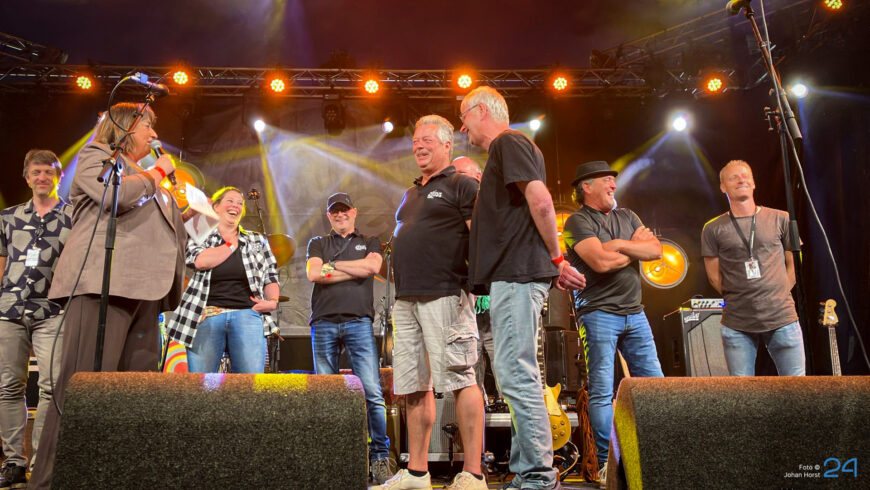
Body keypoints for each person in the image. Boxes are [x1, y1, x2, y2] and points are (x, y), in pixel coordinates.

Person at [30, 102, 188, 489]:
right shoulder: (97, 156)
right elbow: (114, 196)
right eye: (148, 126)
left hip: (145, 292)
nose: (155, 135)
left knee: (135, 392)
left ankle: (119, 477)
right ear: (125, 127)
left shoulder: (147, 178)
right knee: (84, 388)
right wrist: (157, 173)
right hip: (103, 286)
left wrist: (187, 211)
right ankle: (52, 480)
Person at [460, 86, 585, 490]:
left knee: (516, 373)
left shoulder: (508, 142)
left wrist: (557, 259)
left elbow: (542, 201)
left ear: (482, 110)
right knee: (514, 373)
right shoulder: (509, 149)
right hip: (512, 277)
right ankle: (526, 469)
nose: (462, 128)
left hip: (516, 277)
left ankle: (538, 475)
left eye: (464, 116)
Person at [375, 115, 485, 490]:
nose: (418, 146)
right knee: (413, 385)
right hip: (407, 299)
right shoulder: (411, 193)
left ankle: (473, 474)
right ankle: (417, 473)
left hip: (446, 294)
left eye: (427, 140)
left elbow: (480, 237)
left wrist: (474, 283)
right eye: (415, 141)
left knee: (461, 379)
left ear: (447, 145)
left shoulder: (462, 184)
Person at [561, 160, 664, 484]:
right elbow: (601, 262)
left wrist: (618, 245)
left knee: (655, 387)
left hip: (635, 313)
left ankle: (656, 454)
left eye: (613, 180)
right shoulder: (577, 222)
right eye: (606, 180)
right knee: (602, 391)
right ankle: (608, 463)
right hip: (598, 314)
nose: (613, 185)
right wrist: (634, 248)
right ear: (586, 186)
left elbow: (656, 251)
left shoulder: (628, 216)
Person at [304, 192, 393, 485]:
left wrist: (334, 265)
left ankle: (379, 458)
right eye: (335, 211)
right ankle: (332, 459)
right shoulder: (318, 242)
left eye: (344, 210)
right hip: (324, 322)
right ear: (329, 216)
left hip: (359, 322)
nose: (340, 215)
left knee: (372, 393)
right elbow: (314, 274)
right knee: (326, 395)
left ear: (354, 212)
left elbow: (373, 268)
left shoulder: (370, 240)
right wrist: (356, 268)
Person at [0, 150, 72, 488]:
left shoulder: (74, 216)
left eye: (48, 172)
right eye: (36, 172)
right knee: (8, 387)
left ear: (58, 176)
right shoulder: (8, 217)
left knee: (52, 387)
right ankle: (14, 463)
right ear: (27, 177)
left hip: (53, 311)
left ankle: (42, 463)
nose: (42, 177)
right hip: (9, 310)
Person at [701, 160, 805, 376]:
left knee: (797, 388)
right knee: (742, 391)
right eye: (734, 177)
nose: (741, 180)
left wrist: (779, 293)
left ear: (754, 183)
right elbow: (713, 277)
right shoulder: (712, 228)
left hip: (783, 319)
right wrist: (740, 297)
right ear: (723, 187)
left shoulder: (781, 218)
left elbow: (794, 262)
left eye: (745, 175)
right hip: (737, 323)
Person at [166, 186, 279, 373]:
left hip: (247, 313)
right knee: (202, 382)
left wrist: (272, 301)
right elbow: (201, 261)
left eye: (240, 203)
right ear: (216, 207)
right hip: (207, 314)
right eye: (230, 201)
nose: (236, 205)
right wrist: (232, 243)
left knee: (249, 382)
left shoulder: (256, 240)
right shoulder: (200, 236)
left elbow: (270, 276)